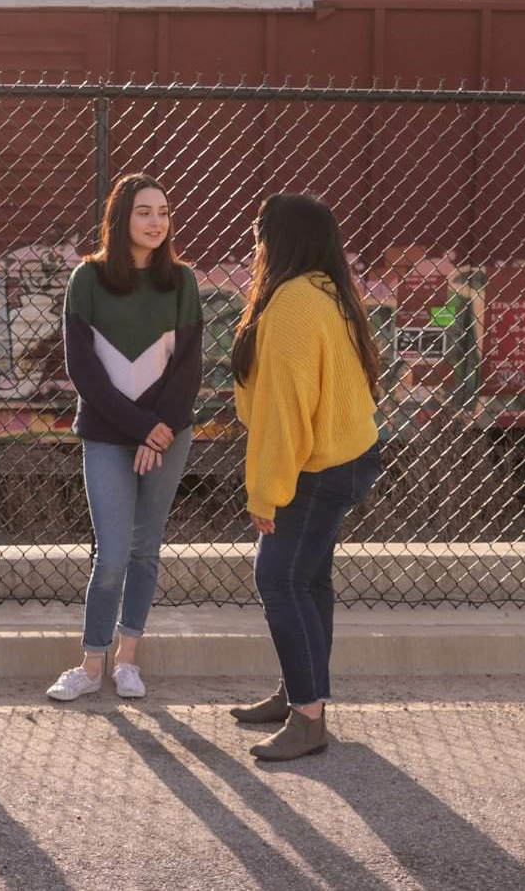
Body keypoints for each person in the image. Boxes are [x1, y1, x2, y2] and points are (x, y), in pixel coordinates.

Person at [227, 193, 383, 761]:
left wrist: (266, 490)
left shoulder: (294, 300)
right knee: (308, 579)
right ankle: (300, 694)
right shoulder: (326, 291)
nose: (255, 246)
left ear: (281, 240)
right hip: (344, 455)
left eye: (259, 235)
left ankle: (308, 718)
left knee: (279, 579)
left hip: (317, 465)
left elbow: (285, 407)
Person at [45, 174, 202, 703]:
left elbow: (188, 370)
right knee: (111, 554)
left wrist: (158, 434)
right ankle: (91, 664)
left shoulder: (182, 281)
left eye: (163, 211)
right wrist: (141, 429)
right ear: (121, 219)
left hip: (168, 434)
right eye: (144, 212)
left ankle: (127, 661)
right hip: (110, 436)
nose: (156, 221)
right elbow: (83, 371)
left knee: (144, 550)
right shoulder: (86, 280)